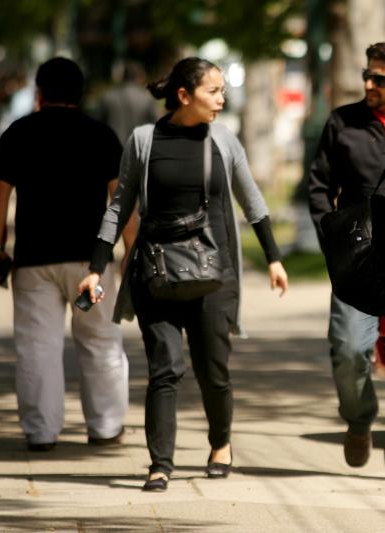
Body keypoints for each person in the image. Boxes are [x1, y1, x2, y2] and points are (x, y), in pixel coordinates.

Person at [78, 57, 289, 492]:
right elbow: (120, 207)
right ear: (184, 95)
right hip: (157, 272)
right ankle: (160, 464)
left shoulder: (224, 141)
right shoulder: (143, 141)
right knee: (164, 369)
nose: (221, 99)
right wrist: (95, 269)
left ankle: (221, 443)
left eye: (222, 91)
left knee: (213, 370)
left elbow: (252, 202)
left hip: (216, 274)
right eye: (214, 91)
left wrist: (273, 258)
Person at [0, 57, 130, 451]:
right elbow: (121, 201)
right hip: (92, 264)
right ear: (80, 93)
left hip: (34, 259)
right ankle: (105, 426)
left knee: (37, 346)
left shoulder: (19, 133)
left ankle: (41, 431)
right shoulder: (101, 135)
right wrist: (131, 251)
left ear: (39, 93)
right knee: (101, 340)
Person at [308, 38, 385, 482]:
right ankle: (358, 420)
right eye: (367, 75)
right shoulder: (343, 122)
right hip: (356, 256)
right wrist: (329, 233)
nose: (368, 83)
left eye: (380, 78)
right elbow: (318, 185)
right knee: (350, 349)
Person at [94, 60, 159, 144]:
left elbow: (98, 122)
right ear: (139, 76)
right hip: (138, 146)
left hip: (113, 146)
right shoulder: (146, 98)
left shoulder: (108, 96)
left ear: (123, 76)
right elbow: (155, 123)